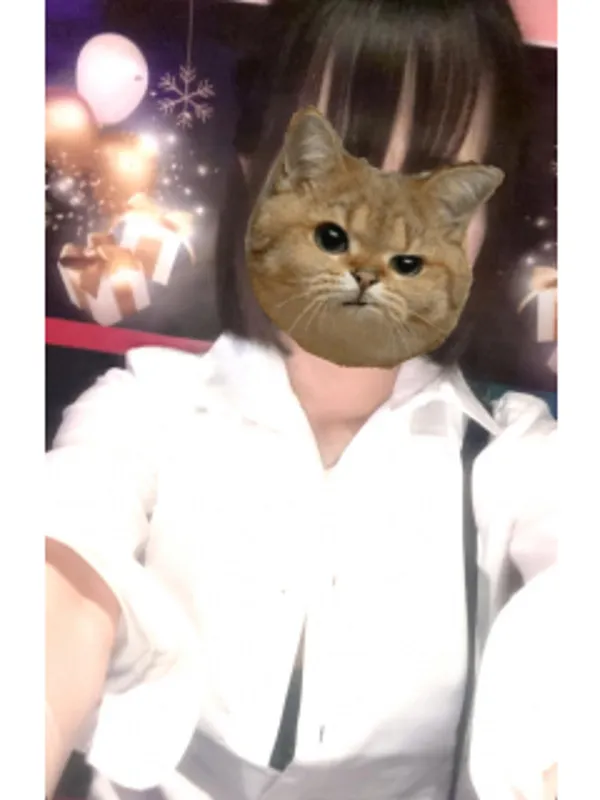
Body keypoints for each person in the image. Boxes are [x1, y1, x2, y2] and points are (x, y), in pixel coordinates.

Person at [45, 1, 558, 799]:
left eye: (434, 185)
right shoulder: (144, 411)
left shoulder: (515, 458)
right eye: (338, 165)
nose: (376, 232)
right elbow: (60, 573)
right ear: (257, 167)